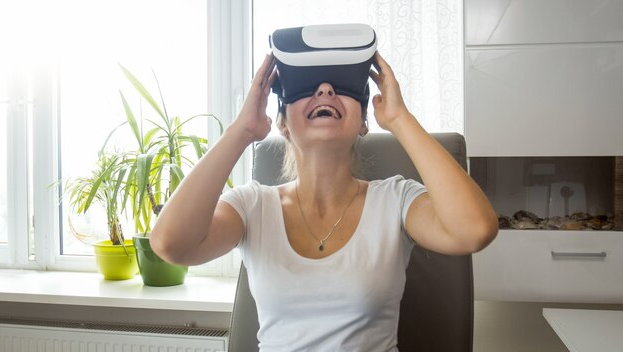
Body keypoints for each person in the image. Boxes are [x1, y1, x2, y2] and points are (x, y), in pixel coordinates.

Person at [150, 51, 498, 351]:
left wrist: (399, 119)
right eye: (308, 87)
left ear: (363, 121)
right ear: (283, 124)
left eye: (341, 87)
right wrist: (242, 130)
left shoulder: (395, 199)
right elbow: (171, 244)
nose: (326, 90)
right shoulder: (252, 205)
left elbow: (475, 230)